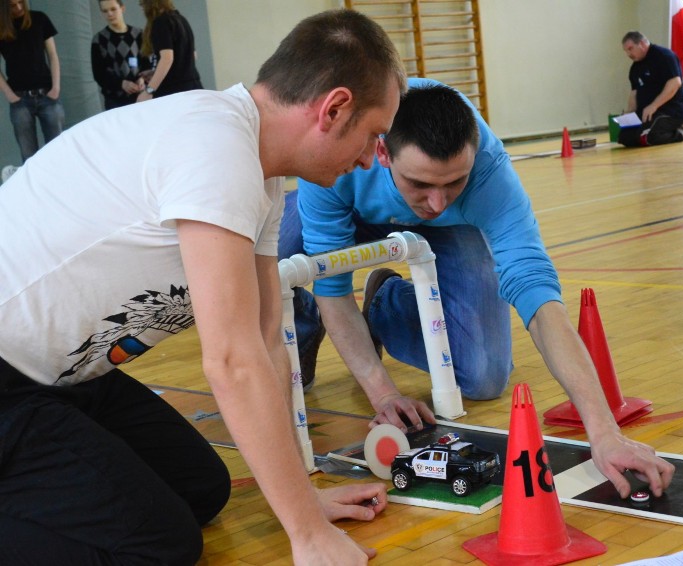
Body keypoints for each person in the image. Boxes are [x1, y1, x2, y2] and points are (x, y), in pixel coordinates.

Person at [0, 8, 406, 565]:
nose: (369, 158)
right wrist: (308, 537)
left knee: (201, 488)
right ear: (334, 108)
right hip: (7, 378)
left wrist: (303, 502)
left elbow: (265, 341)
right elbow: (231, 360)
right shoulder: (215, 145)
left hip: (63, 377)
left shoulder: (261, 172)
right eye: (373, 135)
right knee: (158, 546)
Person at [278, 79, 676, 500]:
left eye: (454, 183)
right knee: (274, 254)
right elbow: (334, 289)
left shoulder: (488, 173)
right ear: (381, 153)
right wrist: (384, 393)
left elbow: (540, 302)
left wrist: (604, 432)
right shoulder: (339, 153)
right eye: (420, 184)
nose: (437, 201)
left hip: (449, 234)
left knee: (484, 376)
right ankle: (303, 327)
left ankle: (385, 303)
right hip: (344, 206)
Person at [0, 0, 64, 168]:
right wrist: (9, 94)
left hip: (47, 94)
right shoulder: (1, 27)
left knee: (58, 149)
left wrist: (56, 87)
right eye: (13, 5)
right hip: (19, 99)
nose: (19, 8)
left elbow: (53, 55)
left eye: (21, 2)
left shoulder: (39, 19)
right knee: (28, 156)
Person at [618, 31, 683, 147]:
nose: (628, 54)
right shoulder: (635, 67)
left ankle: (681, 133)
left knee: (649, 136)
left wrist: (654, 105)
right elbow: (634, 93)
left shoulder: (664, 56)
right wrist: (629, 113)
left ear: (642, 44)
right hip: (646, 114)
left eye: (630, 49)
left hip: (669, 111)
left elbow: (675, 83)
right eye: (626, 51)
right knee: (625, 138)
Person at [136, 0, 202, 102]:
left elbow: (167, 59)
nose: (141, 8)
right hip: (194, 87)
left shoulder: (160, 22)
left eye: (142, 4)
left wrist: (149, 91)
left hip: (174, 92)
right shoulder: (181, 19)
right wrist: (155, 72)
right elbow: (193, 56)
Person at [91, 0, 147, 110]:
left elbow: (147, 63)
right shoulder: (98, 40)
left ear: (122, 8)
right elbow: (99, 74)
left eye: (113, 9)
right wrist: (121, 84)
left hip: (140, 96)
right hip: (114, 101)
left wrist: (142, 79)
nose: (110, 14)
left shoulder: (139, 34)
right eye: (105, 11)